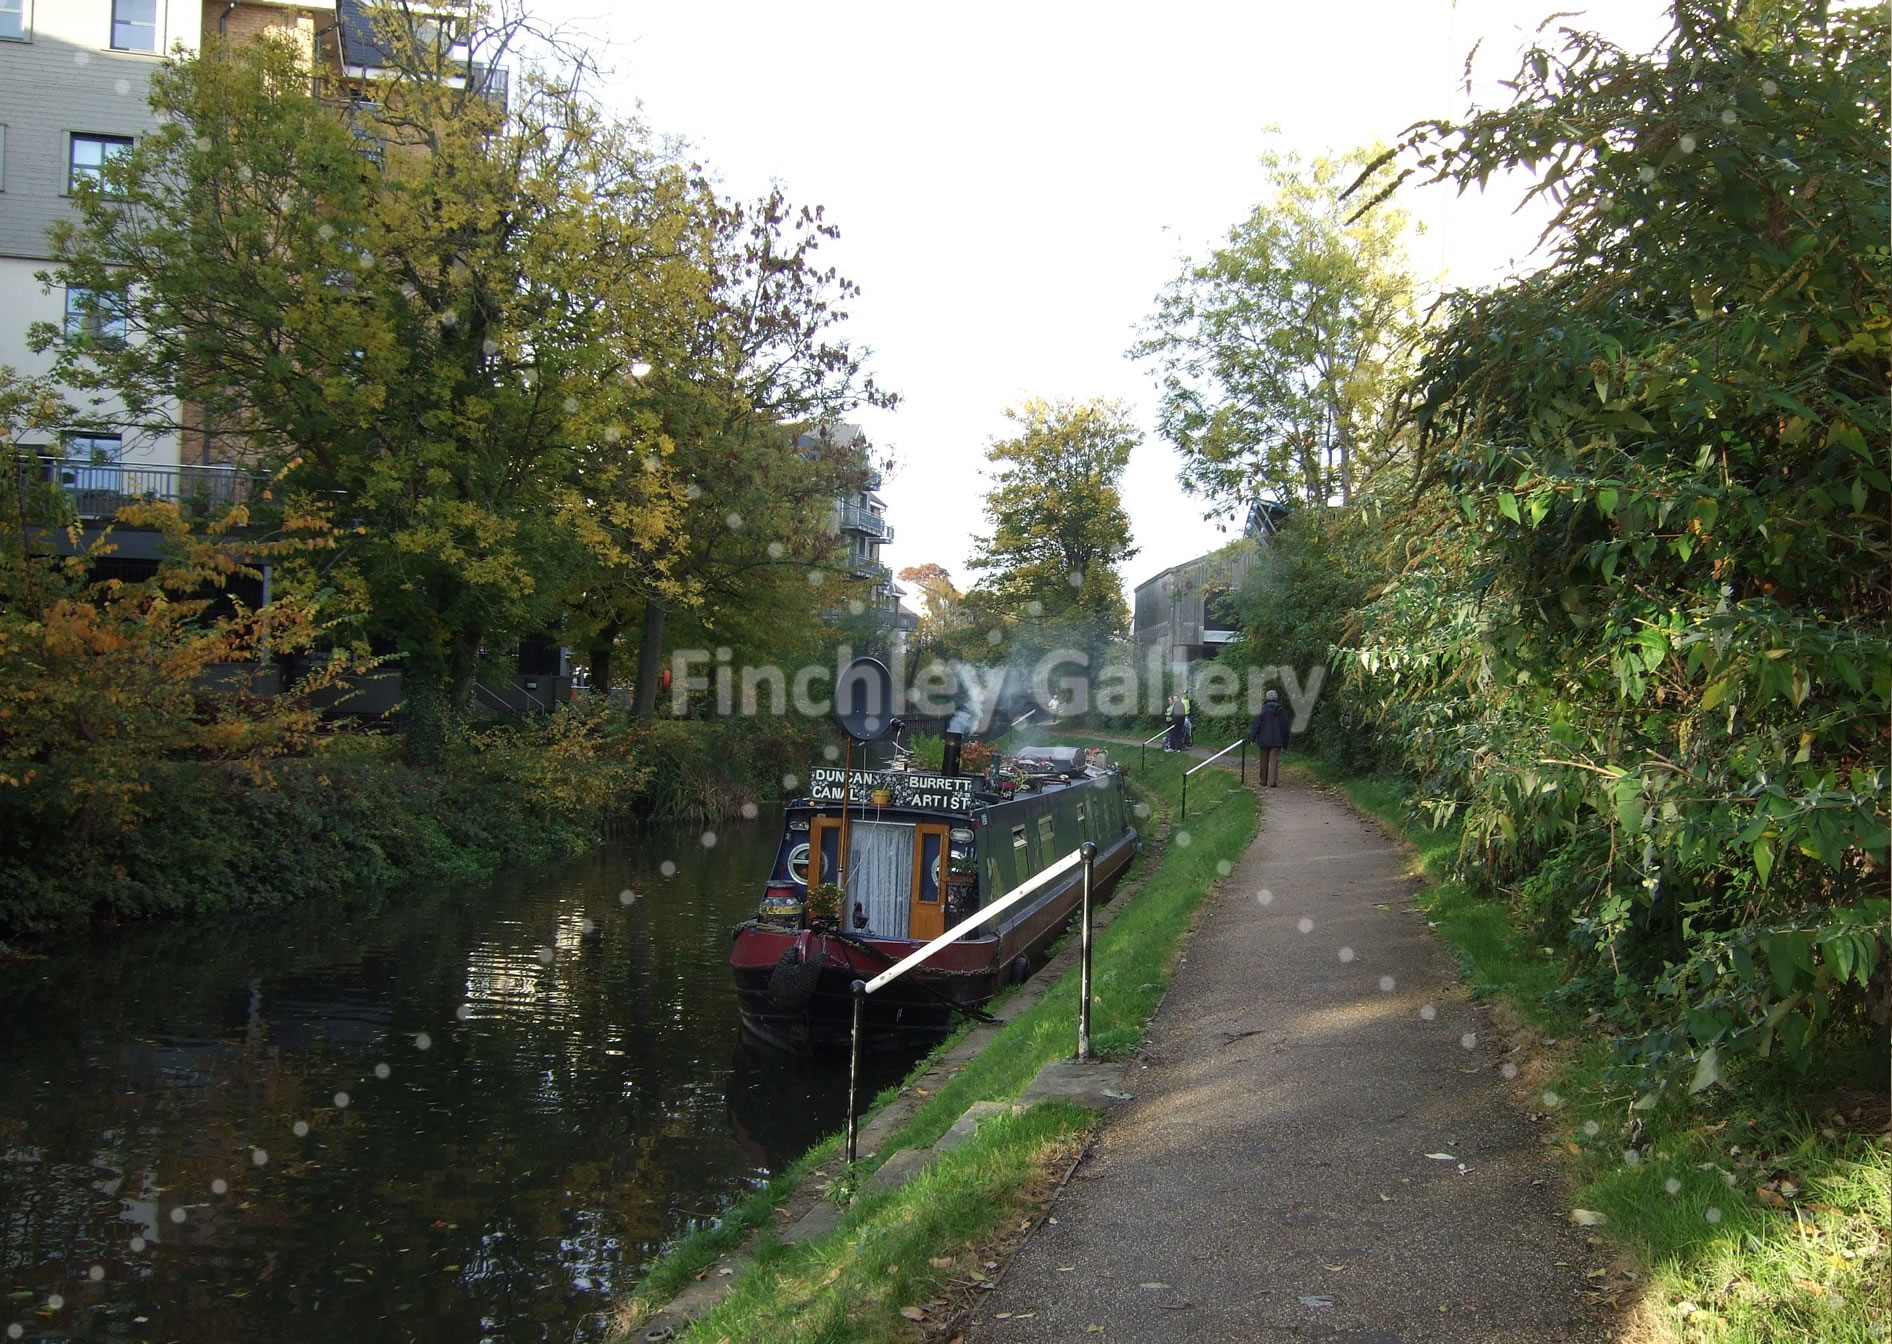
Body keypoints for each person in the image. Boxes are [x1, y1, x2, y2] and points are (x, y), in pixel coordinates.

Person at [1248, 688, 1290, 787]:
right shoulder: (1281, 710)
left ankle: (1263, 781)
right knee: (1274, 760)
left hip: (1263, 739)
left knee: (1263, 760)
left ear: (1267, 698)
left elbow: (1256, 725)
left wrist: (1252, 738)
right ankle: (1273, 782)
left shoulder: (1262, 709)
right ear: (1276, 698)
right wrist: (1285, 741)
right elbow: (1285, 727)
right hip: (1277, 740)